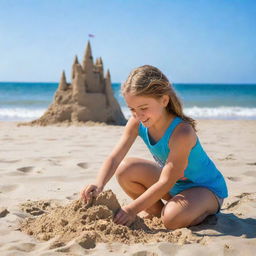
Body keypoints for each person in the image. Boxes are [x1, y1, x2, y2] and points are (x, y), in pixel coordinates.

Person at [80, 65, 228, 229]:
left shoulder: (182, 133)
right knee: (125, 169)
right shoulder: (137, 123)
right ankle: (159, 211)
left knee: (171, 220)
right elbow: (115, 158)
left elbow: (166, 181)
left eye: (143, 108)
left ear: (164, 100)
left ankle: (192, 211)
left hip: (205, 189)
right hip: (175, 186)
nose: (138, 115)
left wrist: (132, 209)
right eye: (132, 109)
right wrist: (99, 184)